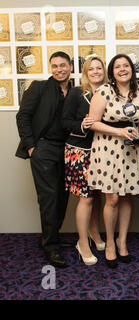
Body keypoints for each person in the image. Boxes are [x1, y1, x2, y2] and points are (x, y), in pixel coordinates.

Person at [87, 54, 139, 268]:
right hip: (107, 150)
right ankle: (111, 243)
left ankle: (123, 242)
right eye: (117, 66)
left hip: (131, 152)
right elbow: (92, 123)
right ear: (112, 72)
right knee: (112, 199)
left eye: (126, 65)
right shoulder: (103, 91)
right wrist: (119, 132)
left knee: (126, 198)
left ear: (132, 69)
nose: (122, 69)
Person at [15, 51, 73, 267]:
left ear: (70, 67)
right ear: (51, 68)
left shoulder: (75, 91)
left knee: (63, 195)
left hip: (66, 150)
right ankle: (50, 247)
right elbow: (23, 116)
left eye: (63, 65)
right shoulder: (39, 87)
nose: (59, 69)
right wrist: (31, 146)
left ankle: (51, 237)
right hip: (44, 148)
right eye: (55, 66)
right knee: (49, 197)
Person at [62, 57, 107, 266]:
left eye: (99, 68)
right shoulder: (76, 93)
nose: (96, 72)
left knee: (97, 196)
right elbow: (64, 122)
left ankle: (94, 233)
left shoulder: (109, 92)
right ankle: (82, 243)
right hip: (79, 151)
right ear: (85, 72)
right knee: (86, 198)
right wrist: (81, 124)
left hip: (102, 150)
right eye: (92, 68)